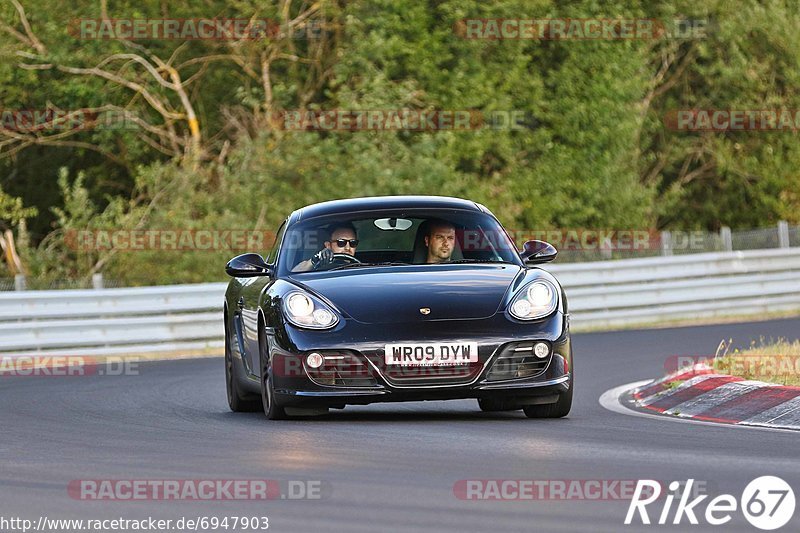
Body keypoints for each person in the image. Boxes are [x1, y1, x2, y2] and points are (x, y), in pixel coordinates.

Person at [293, 223, 359, 272]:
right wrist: (314, 260)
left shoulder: (361, 268)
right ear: (328, 245)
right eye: (341, 242)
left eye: (353, 243)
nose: (347, 248)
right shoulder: (319, 270)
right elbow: (293, 273)